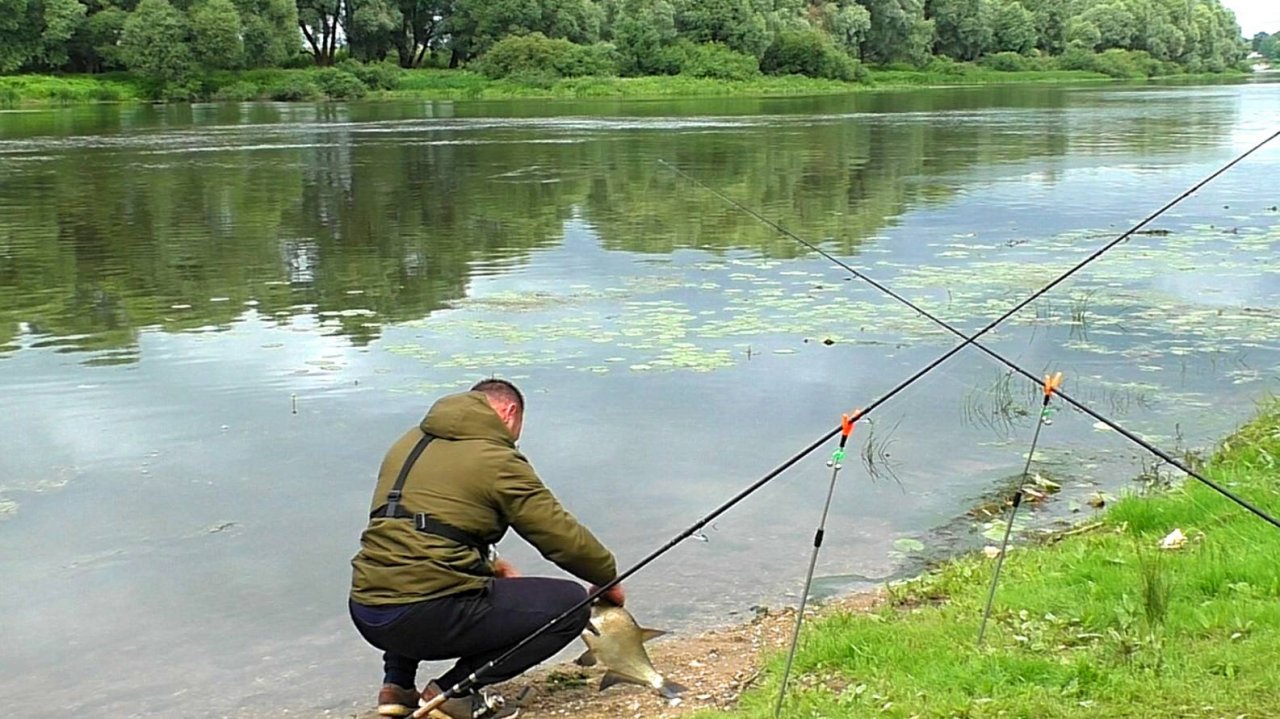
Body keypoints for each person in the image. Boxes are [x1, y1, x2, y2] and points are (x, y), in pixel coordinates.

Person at [349, 378, 625, 719]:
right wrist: (607, 576)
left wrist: (492, 565)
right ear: (510, 413)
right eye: (518, 429)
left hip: (367, 609)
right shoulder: (496, 456)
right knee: (570, 604)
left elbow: (419, 530)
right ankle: (452, 692)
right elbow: (559, 536)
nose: (516, 439)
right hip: (422, 617)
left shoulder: (409, 442)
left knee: (407, 570)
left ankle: (397, 686)